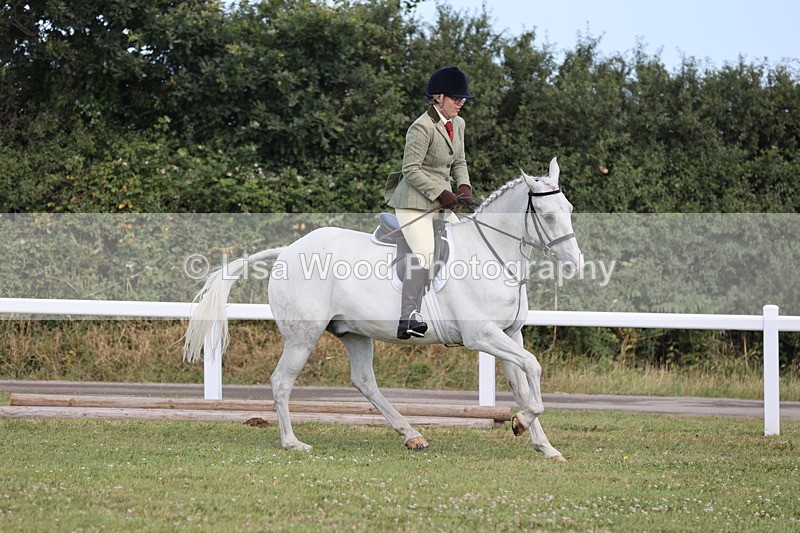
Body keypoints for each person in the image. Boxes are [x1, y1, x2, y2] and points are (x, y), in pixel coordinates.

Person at [383, 66, 474, 340]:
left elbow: (459, 161)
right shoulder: (421, 127)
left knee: (463, 244)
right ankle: (408, 317)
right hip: (413, 201)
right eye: (456, 98)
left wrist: (463, 186)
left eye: (462, 99)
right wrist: (441, 192)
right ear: (438, 97)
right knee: (424, 250)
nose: (461, 103)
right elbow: (411, 170)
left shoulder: (458, 124)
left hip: (441, 202)